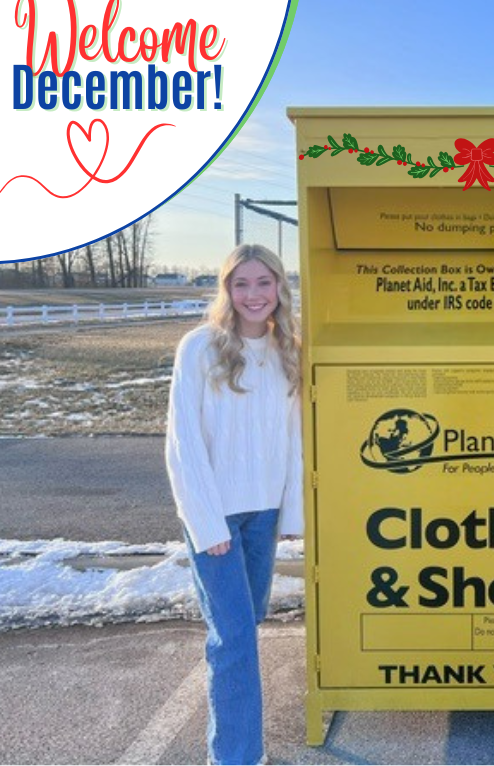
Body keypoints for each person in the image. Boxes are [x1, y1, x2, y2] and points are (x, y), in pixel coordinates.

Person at [165, 244, 303, 765]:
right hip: (216, 515)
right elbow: (183, 443)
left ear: (278, 289)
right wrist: (206, 521)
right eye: (240, 284)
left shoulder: (287, 348)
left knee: (249, 622)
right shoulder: (199, 348)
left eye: (263, 283)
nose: (252, 295)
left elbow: (294, 439)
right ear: (226, 290)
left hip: (264, 514)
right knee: (235, 642)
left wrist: (290, 515)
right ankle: (237, 758)